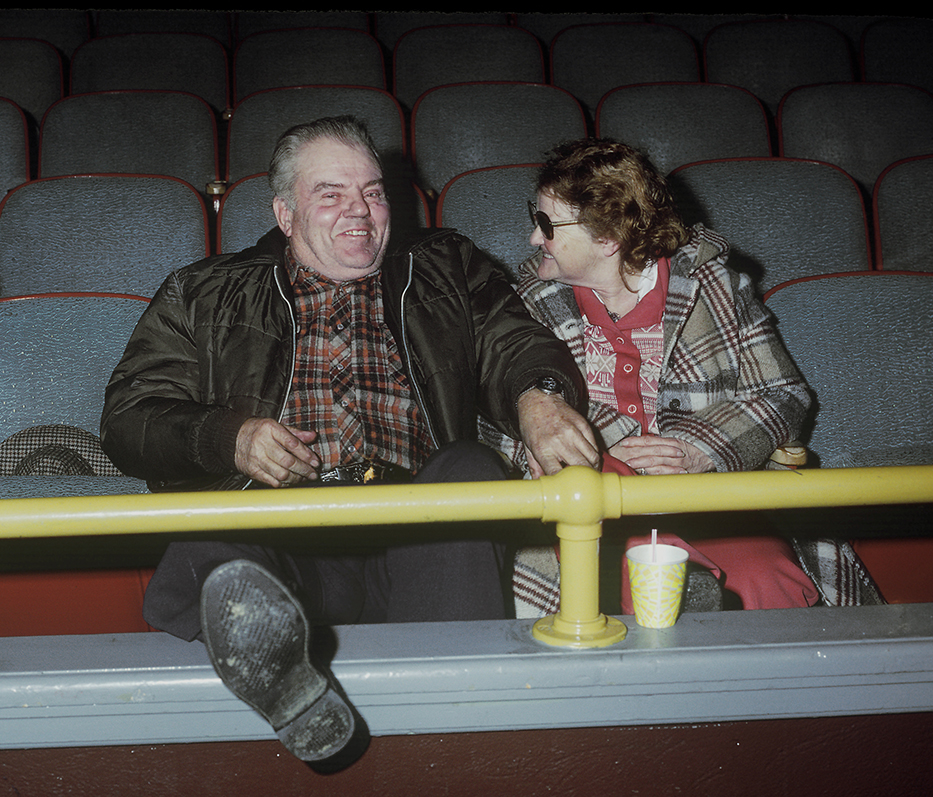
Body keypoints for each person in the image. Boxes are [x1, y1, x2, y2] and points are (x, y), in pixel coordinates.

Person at [100, 116, 597, 767]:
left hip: (421, 533)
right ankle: (292, 688)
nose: (359, 211)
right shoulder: (203, 293)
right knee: (222, 548)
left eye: (372, 191)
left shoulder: (447, 266)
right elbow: (129, 416)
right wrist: (230, 437)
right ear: (285, 212)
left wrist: (537, 394)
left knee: (470, 469)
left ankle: (465, 740)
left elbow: (512, 340)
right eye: (330, 194)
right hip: (284, 536)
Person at [483, 137, 820, 615]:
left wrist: (702, 450)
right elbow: (488, 421)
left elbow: (784, 395)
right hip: (585, 513)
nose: (533, 238)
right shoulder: (524, 306)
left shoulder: (713, 286)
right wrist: (587, 451)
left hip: (704, 501)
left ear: (607, 239)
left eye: (546, 224)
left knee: (769, 579)